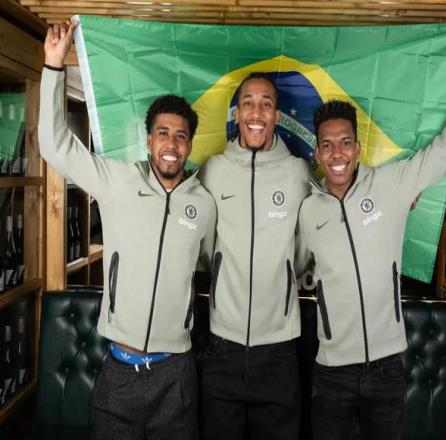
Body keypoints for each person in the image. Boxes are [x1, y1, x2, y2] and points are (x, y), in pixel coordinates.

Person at [296, 22, 446, 440]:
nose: (337, 153)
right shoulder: (307, 208)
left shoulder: (391, 185)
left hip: (386, 367)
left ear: (357, 147)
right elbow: (298, 267)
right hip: (330, 370)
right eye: (327, 145)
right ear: (317, 152)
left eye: (345, 142)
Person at [38, 20, 216, 440]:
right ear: (149, 140)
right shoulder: (116, 180)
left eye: (181, 136)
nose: (172, 143)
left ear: (189, 145)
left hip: (177, 372)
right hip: (119, 369)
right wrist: (54, 65)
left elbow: (215, 260)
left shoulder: (204, 204)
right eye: (163, 134)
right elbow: (54, 144)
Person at [198, 72, 312, 440]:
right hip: (222, 345)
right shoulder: (213, 171)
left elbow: (310, 243)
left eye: (266, 104)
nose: (256, 112)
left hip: (279, 350)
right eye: (248, 103)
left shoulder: (298, 173)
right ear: (237, 114)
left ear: (277, 116)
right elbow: (201, 242)